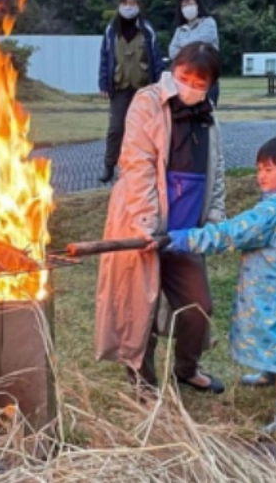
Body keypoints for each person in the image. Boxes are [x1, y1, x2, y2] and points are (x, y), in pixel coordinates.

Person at [94, 42, 227, 395]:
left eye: (200, 83)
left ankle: (186, 369)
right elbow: (137, 166)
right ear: (174, 70)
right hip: (144, 223)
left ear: (210, 84)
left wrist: (214, 218)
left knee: (198, 305)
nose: (190, 87)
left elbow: (216, 168)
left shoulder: (208, 112)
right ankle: (142, 380)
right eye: (184, 77)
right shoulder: (148, 101)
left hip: (186, 229)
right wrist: (147, 225)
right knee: (141, 307)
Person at [162, 135, 276, 433]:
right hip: (274, 284)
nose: (260, 175)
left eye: (269, 170)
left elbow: (230, 233)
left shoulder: (273, 212)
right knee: (270, 333)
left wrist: (184, 239)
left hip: (274, 289)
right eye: (259, 168)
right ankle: (268, 374)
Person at [97, 0, 166, 184]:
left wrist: (159, 84)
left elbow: (156, 58)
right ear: (119, 6)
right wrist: (103, 83)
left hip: (143, 87)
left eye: (132, 4)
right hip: (119, 87)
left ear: (138, 6)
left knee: (145, 130)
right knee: (116, 128)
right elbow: (105, 58)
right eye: (125, 3)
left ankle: (144, 167)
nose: (129, 7)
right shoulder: (111, 30)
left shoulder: (147, 29)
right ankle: (109, 166)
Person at [168, 0, 221, 106]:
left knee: (206, 117)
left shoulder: (209, 23)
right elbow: (172, 52)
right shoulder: (180, 30)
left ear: (198, 4)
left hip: (207, 76)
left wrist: (183, 47)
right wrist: (190, 46)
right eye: (184, 5)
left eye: (191, 3)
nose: (187, 8)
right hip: (185, 81)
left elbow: (202, 43)